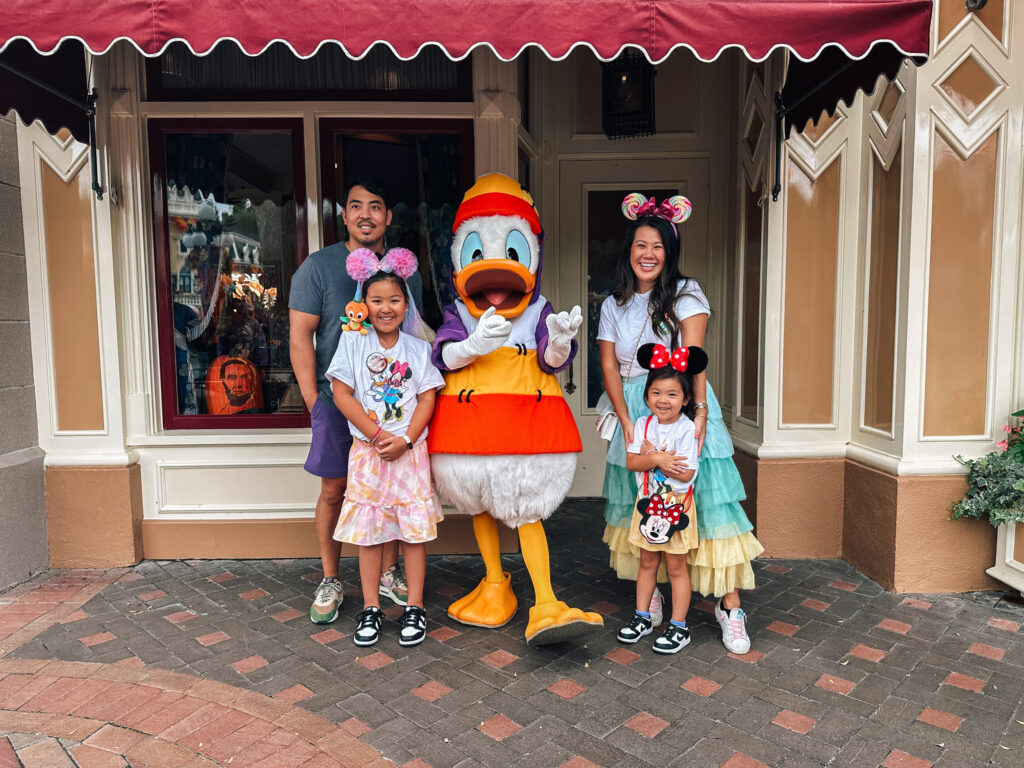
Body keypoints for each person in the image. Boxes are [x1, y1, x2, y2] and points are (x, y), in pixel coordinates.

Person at [597, 193, 763, 654]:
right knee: (642, 501)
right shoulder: (614, 302)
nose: (647, 254)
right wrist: (627, 420)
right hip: (635, 404)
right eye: (639, 245)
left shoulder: (687, 294)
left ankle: (730, 608)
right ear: (628, 250)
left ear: (669, 253)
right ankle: (648, 602)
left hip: (681, 400)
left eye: (657, 246)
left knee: (705, 501)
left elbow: (692, 360)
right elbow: (610, 366)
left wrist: (701, 412)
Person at [289, 178, 424, 624]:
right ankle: (331, 577)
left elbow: (413, 333)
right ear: (343, 215)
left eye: (376, 206)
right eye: (356, 206)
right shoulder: (318, 266)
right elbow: (300, 335)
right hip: (336, 400)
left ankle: (387, 574)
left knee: (386, 492)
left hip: (392, 405)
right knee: (334, 490)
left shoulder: (404, 270)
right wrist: (313, 398)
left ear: (387, 217)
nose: (366, 214)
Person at [326, 266, 444, 646]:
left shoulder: (418, 349)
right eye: (376, 300)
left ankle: (415, 606)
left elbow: (428, 397)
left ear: (406, 304)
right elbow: (342, 394)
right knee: (369, 534)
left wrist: (407, 439)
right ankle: (372, 608)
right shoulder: (353, 344)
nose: (386, 308)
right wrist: (378, 435)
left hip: (410, 455)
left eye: (394, 300)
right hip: (368, 453)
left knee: (413, 533)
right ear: (364, 305)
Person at [618, 343, 709, 653]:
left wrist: (651, 454)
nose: (663, 400)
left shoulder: (686, 430)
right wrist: (659, 459)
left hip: (676, 510)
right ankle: (642, 617)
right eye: (657, 392)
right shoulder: (642, 424)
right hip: (646, 508)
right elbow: (632, 462)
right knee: (646, 564)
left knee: (675, 568)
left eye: (672, 394)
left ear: (685, 399)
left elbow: (686, 474)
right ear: (647, 396)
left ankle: (679, 626)